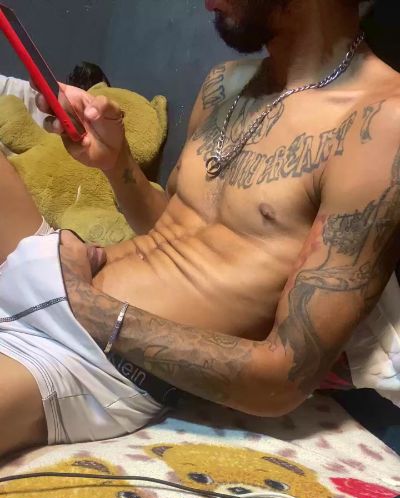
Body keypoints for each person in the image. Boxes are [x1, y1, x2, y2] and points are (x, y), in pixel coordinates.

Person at [1, 0, 400, 459]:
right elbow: (174, 230)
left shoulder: (381, 124)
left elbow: (284, 380)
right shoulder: (224, 84)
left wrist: (84, 303)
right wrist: (116, 162)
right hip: (54, 276)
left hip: (88, 358)